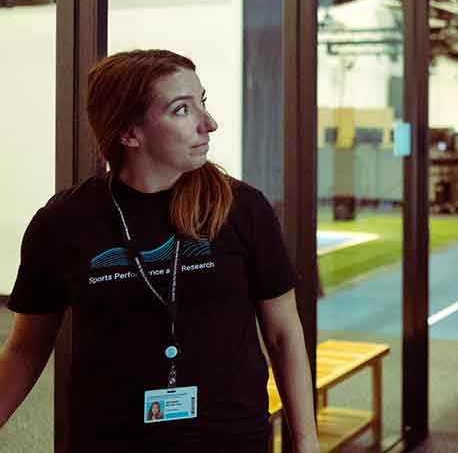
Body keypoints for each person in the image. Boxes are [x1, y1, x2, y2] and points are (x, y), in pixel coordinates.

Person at [0, 49, 319, 453]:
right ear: (129, 133)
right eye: (182, 110)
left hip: (230, 440)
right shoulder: (63, 222)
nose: (209, 123)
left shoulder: (241, 209)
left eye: (202, 102)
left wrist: (306, 443)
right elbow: (26, 348)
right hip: (109, 441)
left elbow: (283, 334)